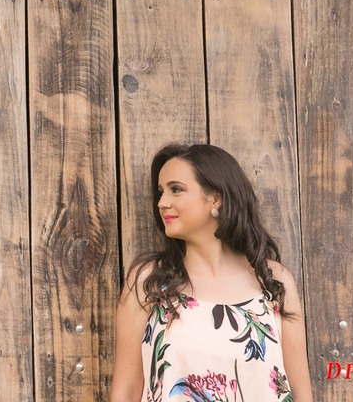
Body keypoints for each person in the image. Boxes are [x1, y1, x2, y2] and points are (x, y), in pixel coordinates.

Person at [109, 143, 313, 402]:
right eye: (160, 192)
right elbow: (125, 392)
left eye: (176, 190)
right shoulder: (149, 282)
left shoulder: (273, 281)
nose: (162, 202)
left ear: (215, 198)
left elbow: (301, 393)